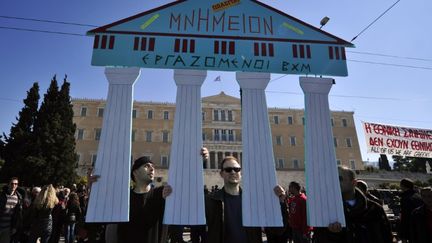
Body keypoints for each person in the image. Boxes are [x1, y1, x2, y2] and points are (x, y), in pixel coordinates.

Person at [313, 166, 393, 243]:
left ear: (354, 182)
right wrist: (333, 234)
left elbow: (387, 236)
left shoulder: (374, 209)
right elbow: (318, 238)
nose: (335, 183)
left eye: (339, 179)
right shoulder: (325, 211)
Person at [205, 156, 262, 243]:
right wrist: (198, 159)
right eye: (228, 169)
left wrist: (280, 202)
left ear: (241, 172)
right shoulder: (210, 201)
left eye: (236, 169)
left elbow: (277, 231)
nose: (233, 172)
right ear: (221, 174)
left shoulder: (253, 201)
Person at [399, 178, 423, 242]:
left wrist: (402, 231)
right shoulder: (418, 196)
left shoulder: (405, 197)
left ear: (403, 186)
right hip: (419, 224)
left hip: (409, 224)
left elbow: (404, 215)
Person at [0, 177, 23, 243]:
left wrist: (15, 227)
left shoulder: (19, 198)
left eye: (16, 184)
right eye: (12, 183)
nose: (14, 185)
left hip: (8, 228)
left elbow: (17, 214)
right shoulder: (1, 195)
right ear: (8, 184)